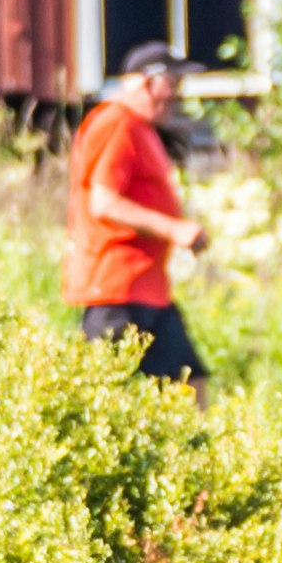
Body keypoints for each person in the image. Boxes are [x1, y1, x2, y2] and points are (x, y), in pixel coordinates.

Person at [66, 42, 208, 386]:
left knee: (190, 384)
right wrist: (173, 229)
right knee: (103, 392)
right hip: (116, 289)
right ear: (147, 82)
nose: (177, 96)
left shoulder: (142, 127)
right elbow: (104, 202)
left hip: (149, 290)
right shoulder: (117, 123)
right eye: (173, 85)